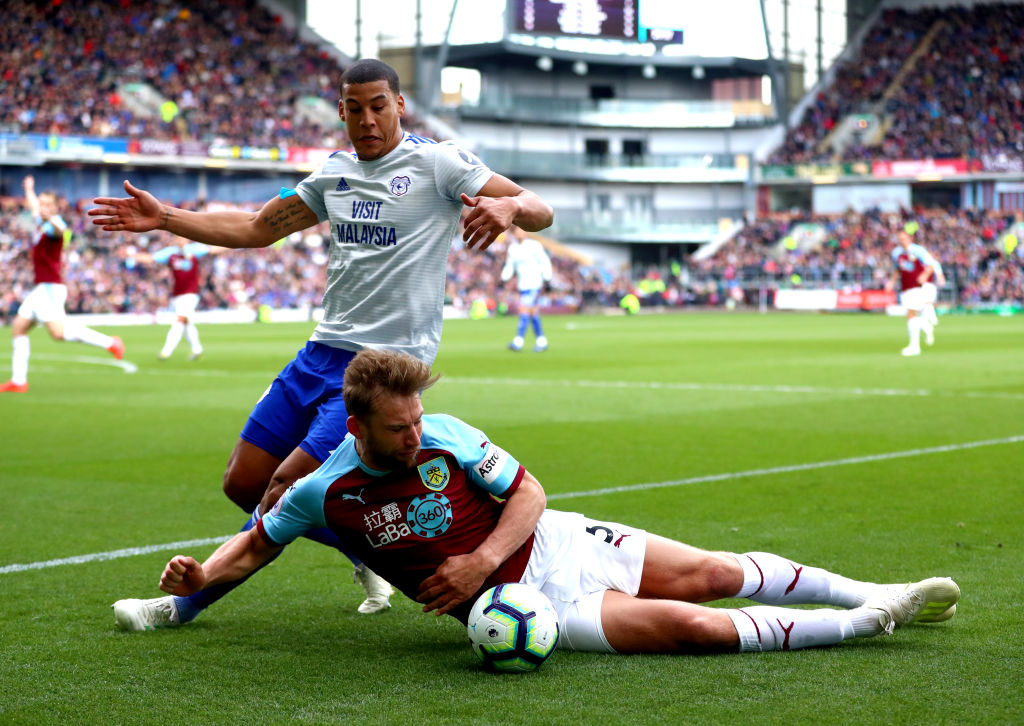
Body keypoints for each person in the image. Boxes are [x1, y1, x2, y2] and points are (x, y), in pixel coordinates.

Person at [91, 58, 553, 627]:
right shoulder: (334, 175)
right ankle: (369, 550)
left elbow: (540, 207)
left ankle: (179, 604)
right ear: (340, 112)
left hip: (382, 368)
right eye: (354, 108)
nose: (367, 119)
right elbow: (258, 228)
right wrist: (165, 216)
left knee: (285, 486)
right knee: (244, 482)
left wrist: (508, 206)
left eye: (379, 105)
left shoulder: (439, 163)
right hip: (320, 352)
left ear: (399, 105)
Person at [138, 348, 960, 656]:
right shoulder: (327, 491)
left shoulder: (449, 435)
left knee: (710, 573)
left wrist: (479, 560)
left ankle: (866, 589)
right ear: (358, 428)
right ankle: (865, 623)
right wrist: (194, 578)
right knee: (689, 627)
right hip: (531, 609)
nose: (418, 435)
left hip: (555, 545)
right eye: (399, 428)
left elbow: (528, 491)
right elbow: (253, 545)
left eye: (420, 418)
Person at [1, 176, 124, 394]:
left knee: (58, 334)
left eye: (48, 204)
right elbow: (33, 205)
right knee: (19, 329)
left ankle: (110, 342)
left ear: (55, 207)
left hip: (50, 288)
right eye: (42, 203)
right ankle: (19, 382)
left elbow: (60, 229)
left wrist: (50, 215)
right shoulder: (42, 223)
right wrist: (30, 189)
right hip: (40, 288)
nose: (42, 207)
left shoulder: (54, 226)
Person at [129, 235, 219, 361]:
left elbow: (213, 250)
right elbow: (151, 258)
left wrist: (235, 243)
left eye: (183, 238)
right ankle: (197, 350)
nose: (181, 240)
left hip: (191, 293)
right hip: (177, 294)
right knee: (187, 323)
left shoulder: (195, 250)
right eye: (179, 238)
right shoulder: (170, 253)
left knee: (180, 320)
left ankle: (166, 351)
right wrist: (131, 256)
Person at [889, 229, 943, 356]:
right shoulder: (896, 253)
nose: (902, 241)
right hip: (905, 287)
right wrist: (891, 282)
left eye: (904, 238)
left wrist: (926, 275)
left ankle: (914, 346)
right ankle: (925, 325)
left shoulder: (918, 250)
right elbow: (897, 269)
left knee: (911, 313)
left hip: (917, 286)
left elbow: (931, 264)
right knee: (911, 314)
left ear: (909, 239)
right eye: (900, 239)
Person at [500, 225, 553, 352]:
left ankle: (518, 341)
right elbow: (510, 265)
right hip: (523, 285)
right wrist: (504, 277)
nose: (519, 233)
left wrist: (547, 277)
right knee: (533, 314)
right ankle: (542, 341)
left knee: (524, 311)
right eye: (516, 231)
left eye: (521, 230)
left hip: (534, 284)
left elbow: (544, 261)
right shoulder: (513, 248)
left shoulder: (534, 245)